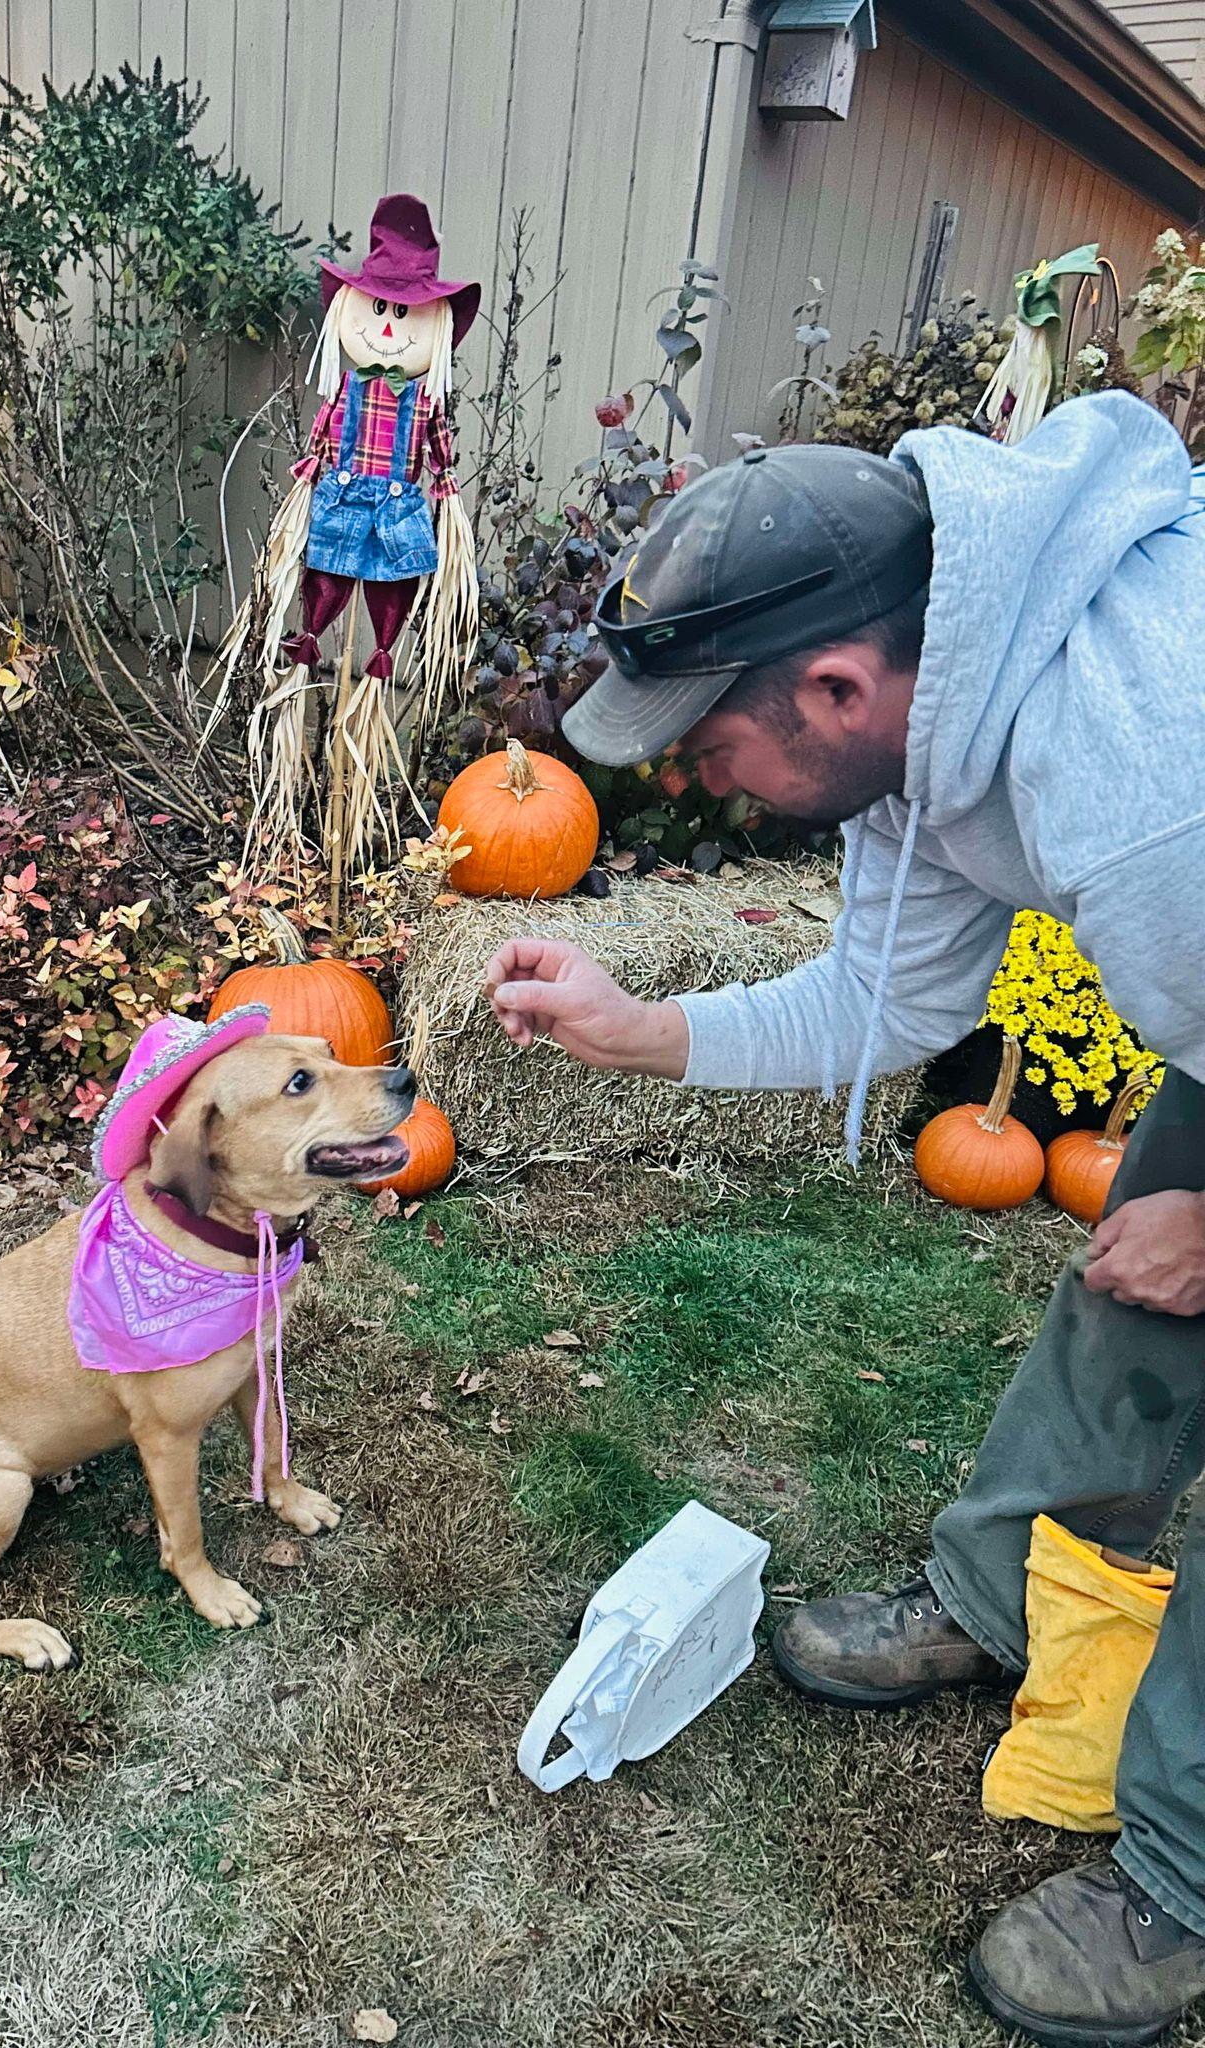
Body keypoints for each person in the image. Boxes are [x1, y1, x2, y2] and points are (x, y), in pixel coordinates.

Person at [483, 393, 1205, 2048]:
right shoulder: (932, 731)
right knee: (1128, 1299)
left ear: (834, 687)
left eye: (705, 742)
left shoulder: (1148, 787)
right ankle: (1001, 1597)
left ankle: (1184, 1871)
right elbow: (879, 1005)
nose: (691, 777)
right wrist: (638, 1027)